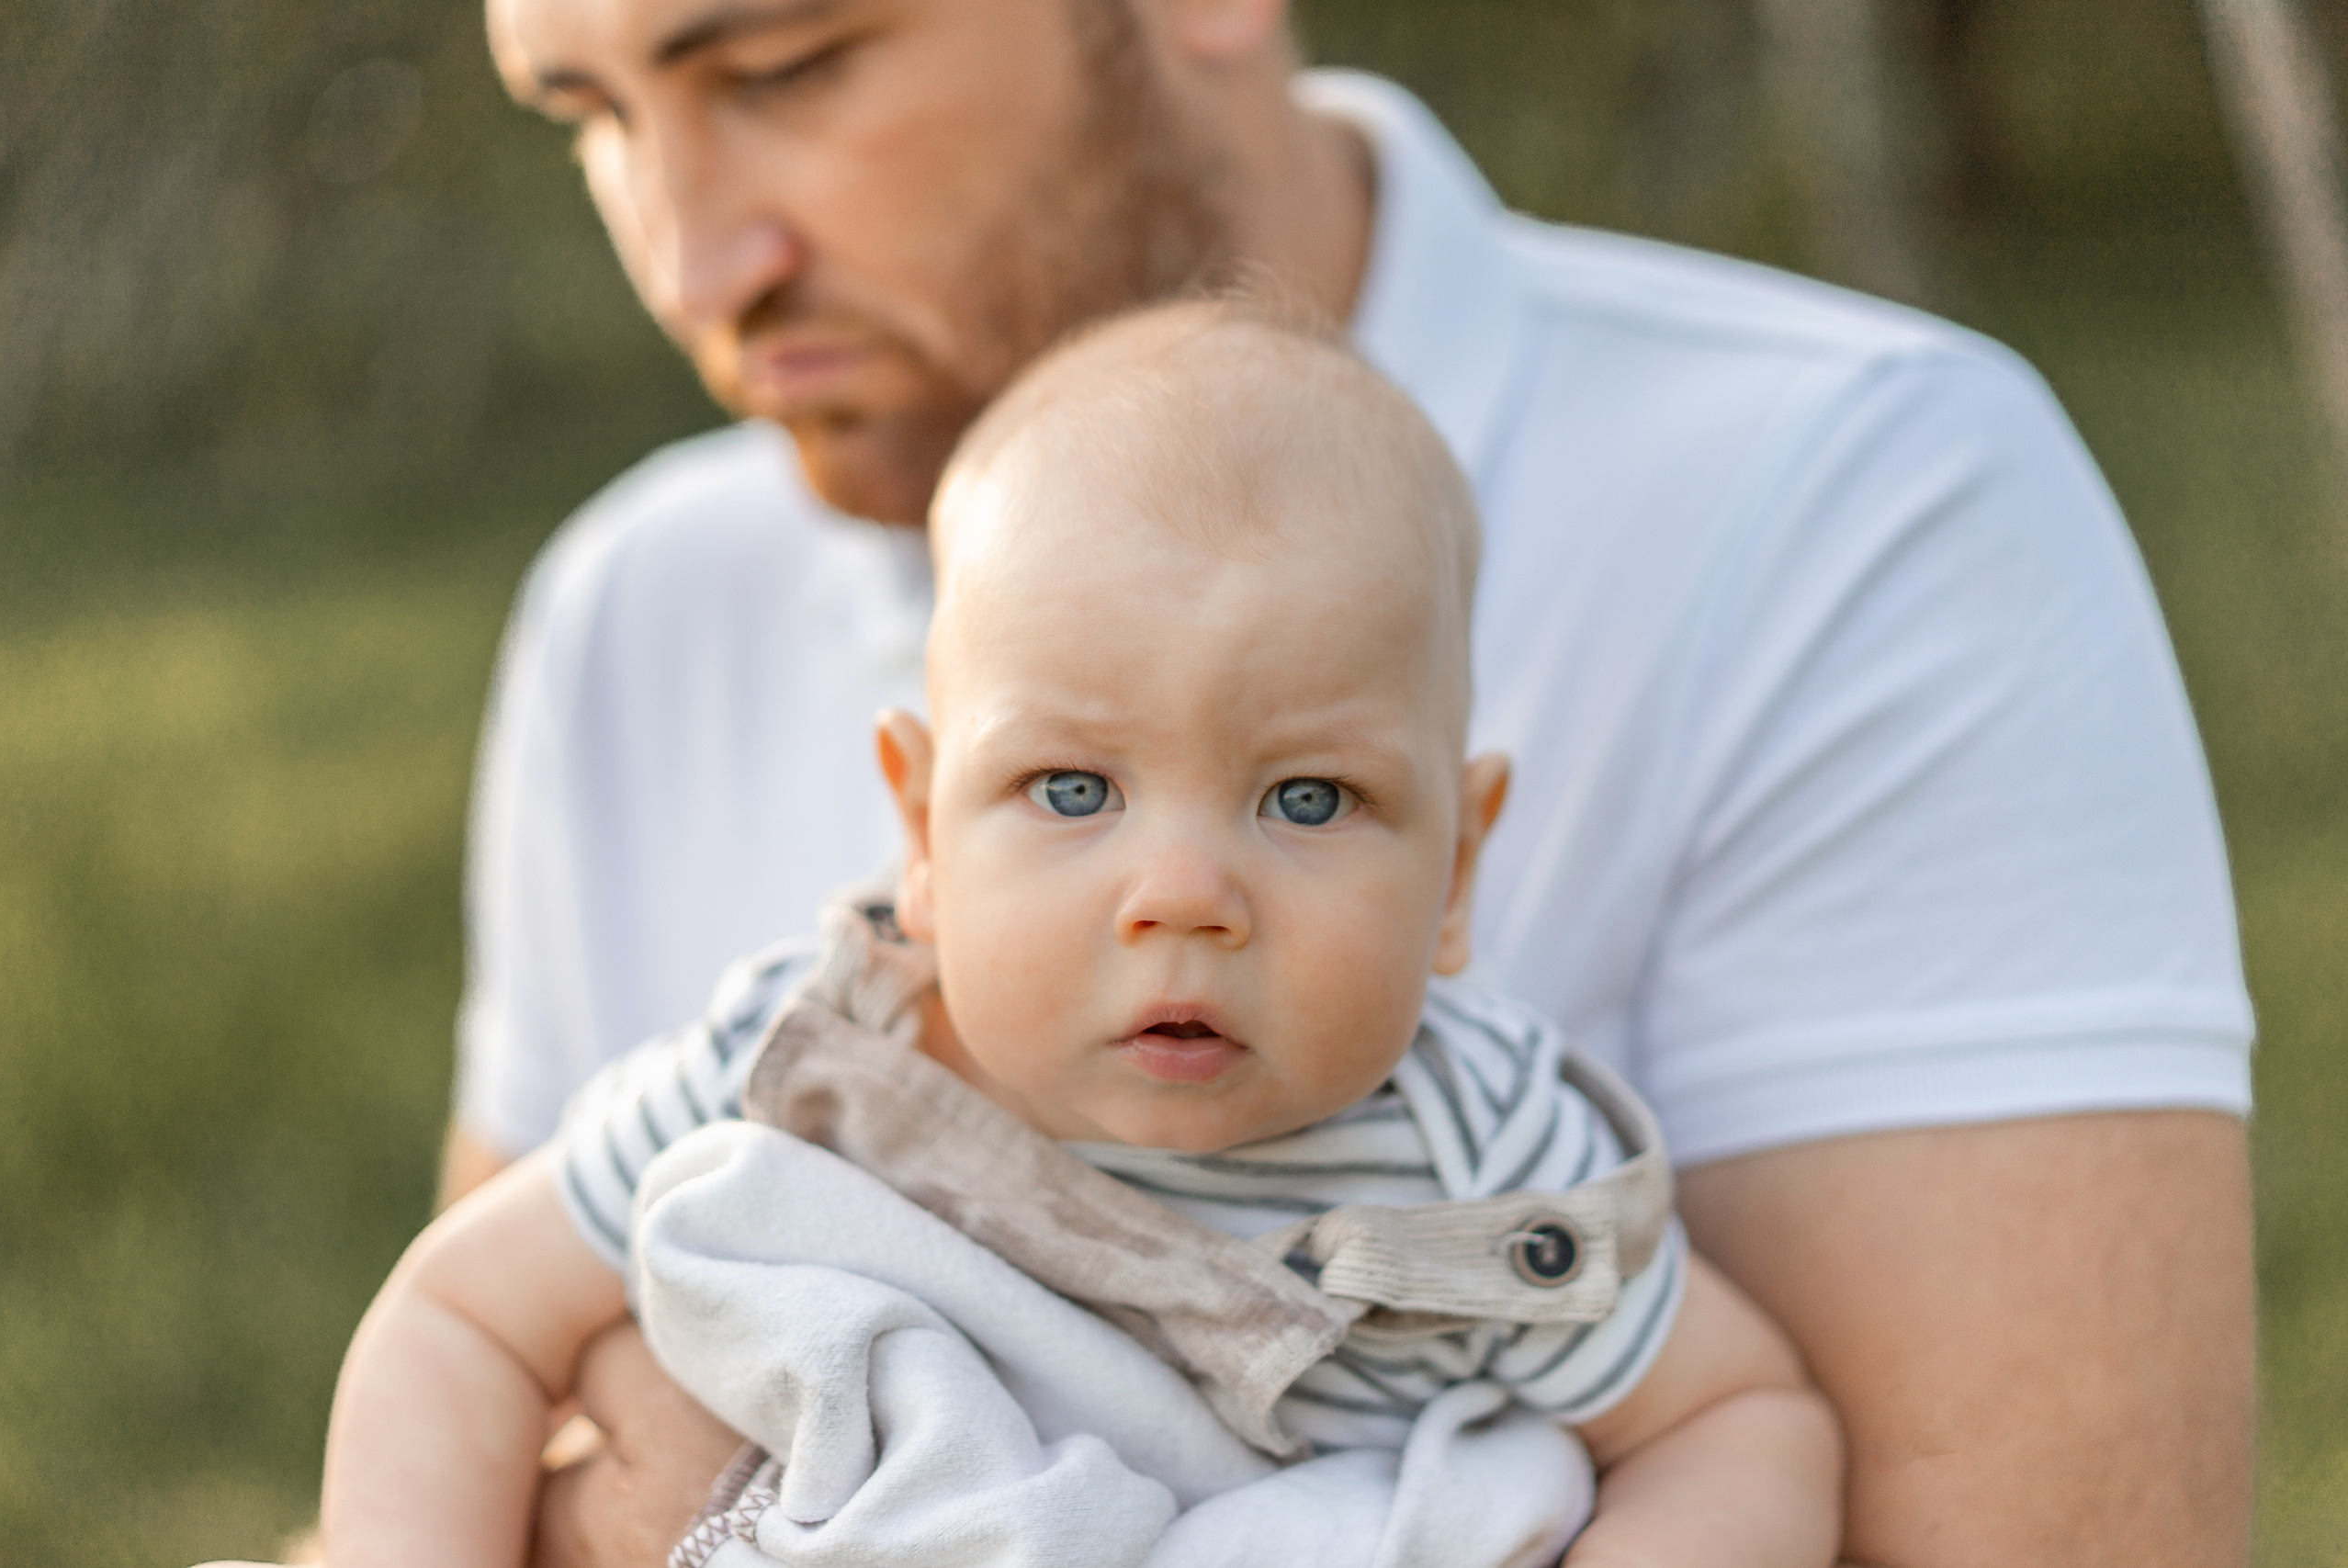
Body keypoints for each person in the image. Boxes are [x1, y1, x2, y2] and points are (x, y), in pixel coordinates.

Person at [452, 0, 2257, 1562]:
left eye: (784, 65)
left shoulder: (1855, 512)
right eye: (591, 121)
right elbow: (463, 1392)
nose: (692, 265)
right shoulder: (630, 610)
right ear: (912, 811)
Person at [321, 303, 1841, 1568]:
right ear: (921, 834)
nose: (1182, 893)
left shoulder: (1480, 1164)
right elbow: (463, 1313)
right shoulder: (813, 1064)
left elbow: (1734, 1420)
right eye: (1071, 787)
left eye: (1309, 797)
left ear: (1455, 873)